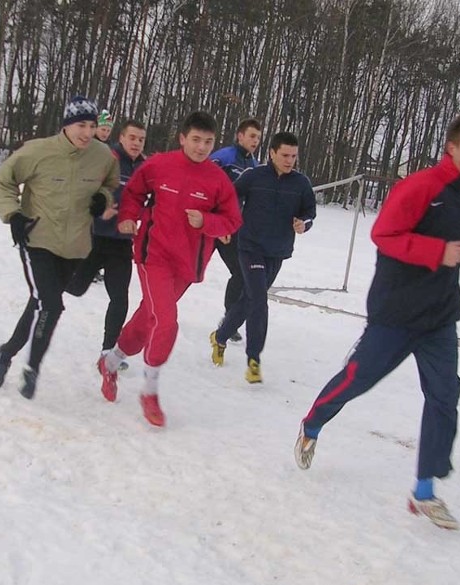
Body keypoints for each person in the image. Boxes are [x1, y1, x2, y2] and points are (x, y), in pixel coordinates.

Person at [294, 114, 460, 530]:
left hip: (439, 316)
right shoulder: (420, 186)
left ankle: (424, 490)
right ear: (452, 148)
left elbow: (454, 235)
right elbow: (384, 234)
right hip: (396, 312)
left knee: (444, 395)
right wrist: (438, 253)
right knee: (359, 378)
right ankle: (313, 421)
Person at [97, 111, 242, 427]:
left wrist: (208, 222)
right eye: (195, 140)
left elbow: (232, 220)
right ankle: (150, 391)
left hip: (187, 264)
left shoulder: (217, 179)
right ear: (182, 138)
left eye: (208, 142)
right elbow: (134, 192)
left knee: (145, 319)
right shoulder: (160, 165)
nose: (202, 147)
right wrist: (128, 216)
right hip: (154, 256)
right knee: (165, 320)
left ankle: (109, 363)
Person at [0, 95, 119, 399]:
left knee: (39, 305)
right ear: (66, 126)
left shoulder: (102, 156)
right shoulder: (39, 151)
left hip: (75, 246)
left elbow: (110, 184)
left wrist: (103, 198)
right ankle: (31, 370)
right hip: (37, 241)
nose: (87, 132)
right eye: (80, 125)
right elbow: (3, 180)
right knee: (51, 304)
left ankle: (6, 352)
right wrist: (13, 215)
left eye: (91, 125)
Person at [209, 132, 316, 383]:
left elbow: (309, 212)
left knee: (249, 300)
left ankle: (221, 336)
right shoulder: (254, 177)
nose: (290, 160)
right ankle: (253, 359)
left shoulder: (301, 183)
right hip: (250, 247)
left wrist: (304, 224)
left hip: (277, 251)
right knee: (258, 298)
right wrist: (227, 223)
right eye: (285, 155)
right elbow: (230, 197)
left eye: (293, 156)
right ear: (272, 153)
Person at [66, 120, 147, 367]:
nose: (136, 143)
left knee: (120, 298)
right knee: (76, 287)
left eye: (141, 139)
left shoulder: (145, 167)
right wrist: (97, 209)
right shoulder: (106, 158)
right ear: (121, 138)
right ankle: (50, 279)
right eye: (132, 138)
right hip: (95, 237)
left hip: (122, 244)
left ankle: (107, 350)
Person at [210, 118, 262, 342]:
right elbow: (206, 184)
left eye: (258, 138)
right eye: (252, 136)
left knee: (241, 272)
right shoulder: (224, 157)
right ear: (240, 136)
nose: (255, 141)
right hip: (209, 224)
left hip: (232, 228)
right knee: (185, 271)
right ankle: (159, 310)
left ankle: (229, 319)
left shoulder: (254, 165)